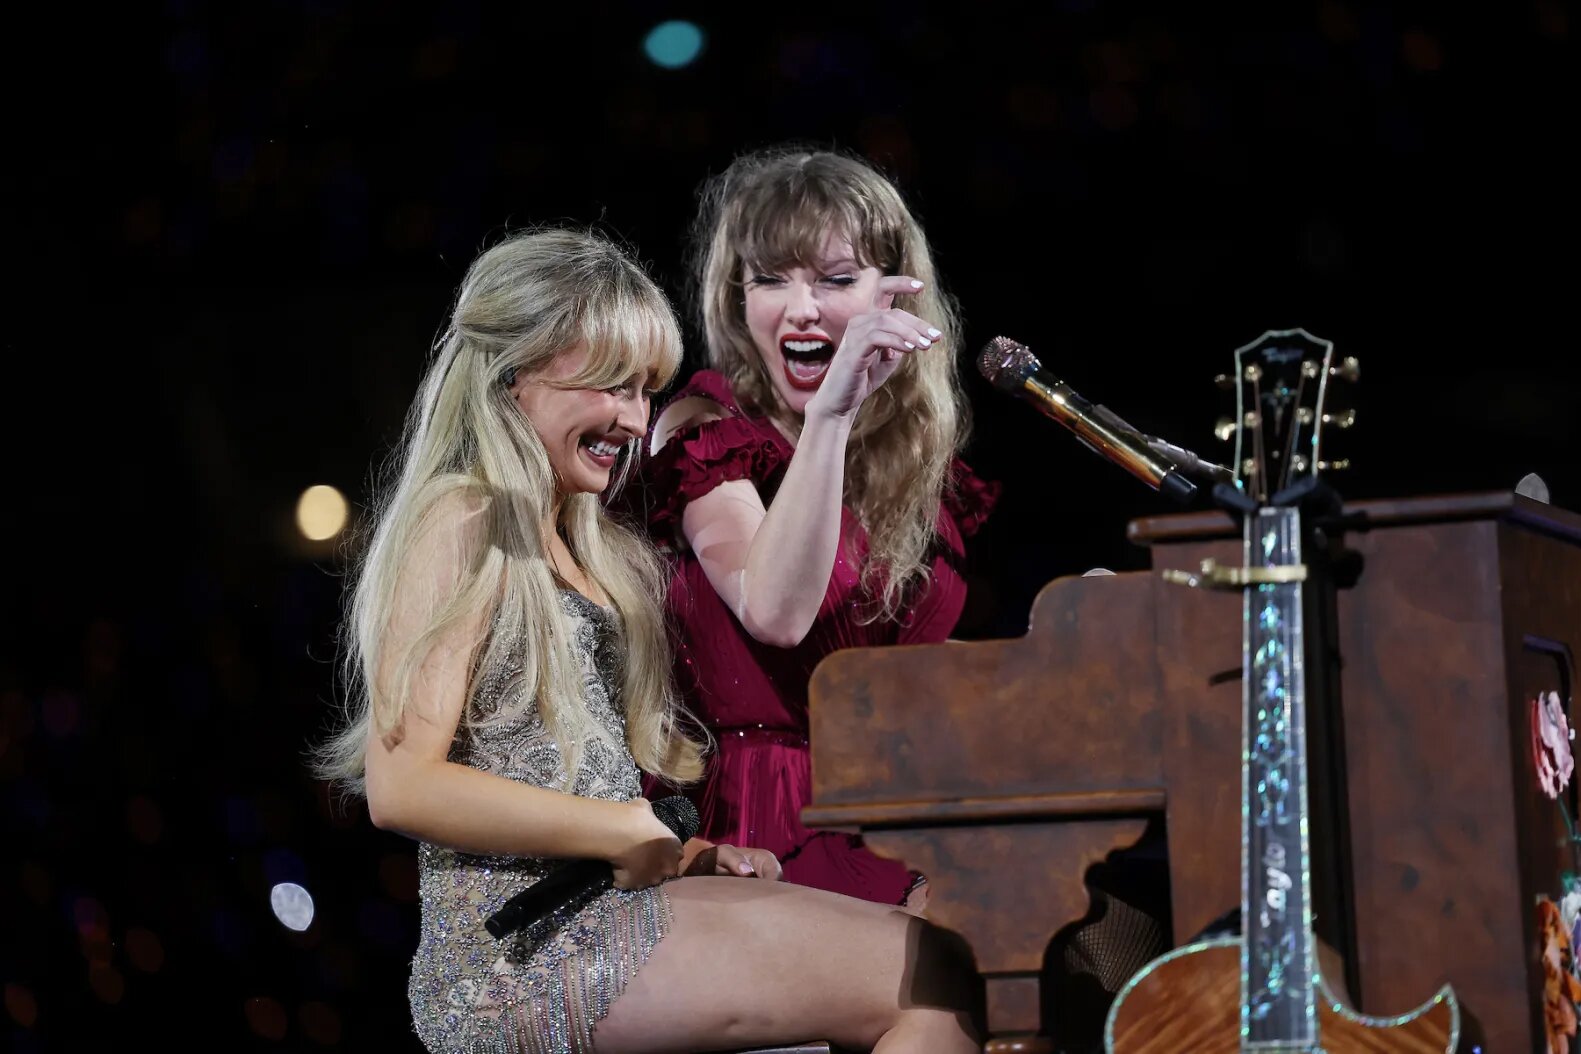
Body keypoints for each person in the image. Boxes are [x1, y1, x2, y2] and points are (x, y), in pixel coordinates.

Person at [314, 228, 980, 1053]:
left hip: (602, 912)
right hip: (520, 955)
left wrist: (690, 852)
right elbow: (403, 787)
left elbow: (573, 778)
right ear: (512, 375)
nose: (633, 419)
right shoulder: (464, 515)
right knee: (932, 974)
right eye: (607, 386)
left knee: (942, 955)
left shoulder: (581, 540)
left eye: (643, 391)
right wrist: (617, 831)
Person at [636, 147, 998, 912]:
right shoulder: (704, 430)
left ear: (895, 297)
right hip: (756, 828)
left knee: (1091, 937)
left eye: (834, 280)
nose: (800, 310)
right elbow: (774, 610)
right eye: (770, 279)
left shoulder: (912, 471)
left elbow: (908, 678)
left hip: (894, 812)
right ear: (737, 299)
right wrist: (830, 414)